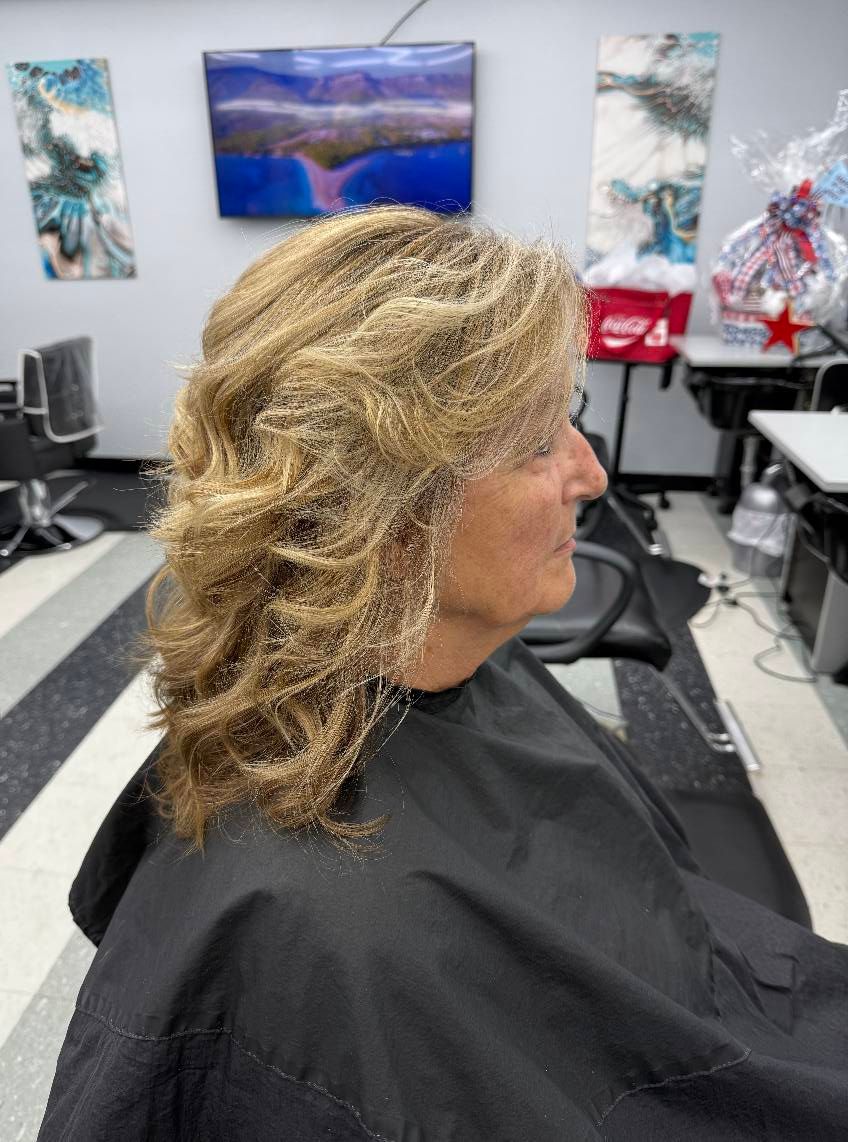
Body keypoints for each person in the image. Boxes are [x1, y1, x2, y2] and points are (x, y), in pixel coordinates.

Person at [38, 206, 847, 1141]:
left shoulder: (466, 671)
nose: (590, 475)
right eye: (541, 441)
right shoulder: (319, 932)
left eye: (569, 421)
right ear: (380, 512)